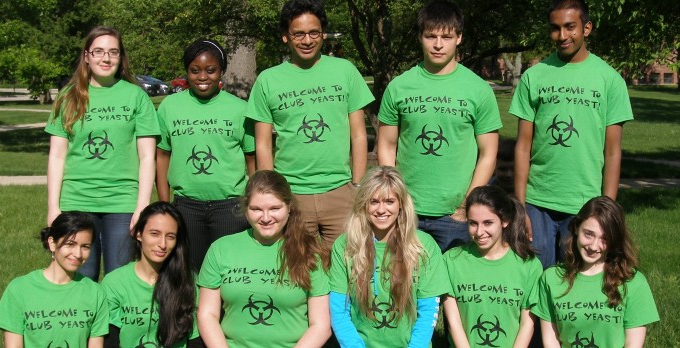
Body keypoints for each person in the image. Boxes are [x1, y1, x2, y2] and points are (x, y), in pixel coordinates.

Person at [509, 0, 633, 268]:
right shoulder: (535, 76)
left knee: (575, 279)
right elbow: (522, 146)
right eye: (555, 29)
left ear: (586, 28)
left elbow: (612, 151)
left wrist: (606, 211)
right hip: (537, 201)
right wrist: (520, 207)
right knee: (536, 279)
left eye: (570, 27)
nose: (562, 36)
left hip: (585, 203)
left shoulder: (609, 80)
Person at [245, 0, 375, 257]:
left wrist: (358, 187)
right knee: (298, 269)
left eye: (314, 32)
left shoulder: (345, 71)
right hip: (292, 193)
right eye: (298, 34)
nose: (307, 40)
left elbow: (359, 135)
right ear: (285, 37)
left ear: (323, 34)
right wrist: (272, 195)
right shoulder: (268, 80)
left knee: (349, 267)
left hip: (340, 191)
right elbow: (262, 144)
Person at [377, 0, 501, 253]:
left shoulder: (478, 89)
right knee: (403, 286)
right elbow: (386, 145)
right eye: (430, 36)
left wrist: (466, 206)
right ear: (420, 37)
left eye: (446, 36)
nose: (437, 44)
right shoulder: (399, 87)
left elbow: (488, 154)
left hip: (455, 215)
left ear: (459, 38)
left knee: (452, 291)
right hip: (407, 211)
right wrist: (395, 199)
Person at [46, 26, 160, 280]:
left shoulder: (136, 97)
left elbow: (146, 157)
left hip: (122, 202)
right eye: (98, 51)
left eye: (113, 52)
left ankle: (113, 323)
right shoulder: (68, 97)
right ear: (86, 56)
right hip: (76, 200)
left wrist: (142, 205)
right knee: (79, 278)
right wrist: (53, 207)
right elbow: (56, 156)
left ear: (121, 58)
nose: (105, 58)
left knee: (119, 279)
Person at [197, 170, 330, 347]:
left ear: (289, 207)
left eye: (275, 208)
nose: (266, 218)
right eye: (256, 209)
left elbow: (320, 325)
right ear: (245, 209)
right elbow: (207, 315)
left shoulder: (309, 251)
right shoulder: (221, 249)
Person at [156, 38, 255, 271]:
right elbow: (161, 157)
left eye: (211, 70)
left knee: (229, 271)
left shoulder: (240, 109)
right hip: (186, 206)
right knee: (189, 272)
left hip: (230, 207)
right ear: (186, 72)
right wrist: (163, 204)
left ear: (221, 71)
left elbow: (253, 161)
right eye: (195, 70)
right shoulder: (169, 107)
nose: (203, 77)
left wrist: (254, 202)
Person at [329, 166, 451, 347]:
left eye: (389, 201)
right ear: (363, 203)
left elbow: (428, 312)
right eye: (374, 201)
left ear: (401, 203)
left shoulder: (423, 245)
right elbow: (339, 311)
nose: (381, 209)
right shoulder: (345, 245)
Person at [532, 197, 659, 347]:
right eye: (588, 234)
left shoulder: (632, 282)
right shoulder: (551, 279)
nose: (593, 246)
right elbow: (551, 339)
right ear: (576, 228)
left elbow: (633, 343)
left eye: (604, 239)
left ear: (615, 240)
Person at [443, 186, 542, 348]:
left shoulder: (529, 265)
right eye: (473, 223)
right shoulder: (452, 261)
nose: (480, 232)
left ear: (505, 221)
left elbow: (527, 325)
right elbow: (453, 324)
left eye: (488, 223)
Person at [0, 212, 108, 347]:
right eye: (70, 244)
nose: (78, 254)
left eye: (85, 246)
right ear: (52, 243)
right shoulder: (19, 289)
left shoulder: (96, 293)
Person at [101, 202, 202, 347]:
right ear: (138, 234)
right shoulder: (114, 283)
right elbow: (109, 341)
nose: (162, 244)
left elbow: (195, 340)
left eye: (170, 236)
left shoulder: (188, 279)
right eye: (155, 234)